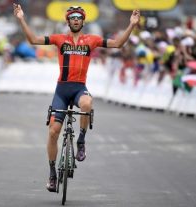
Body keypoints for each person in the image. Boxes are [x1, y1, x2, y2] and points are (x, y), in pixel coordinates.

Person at [13, 4, 140, 192]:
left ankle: (80, 140)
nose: (75, 20)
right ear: (67, 21)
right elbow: (33, 39)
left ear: (83, 21)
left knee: (87, 102)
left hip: (79, 89)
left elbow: (118, 44)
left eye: (78, 17)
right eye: (72, 17)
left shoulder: (92, 40)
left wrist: (132, 25)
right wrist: (21, 18)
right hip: (62, 91)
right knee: (53, 132)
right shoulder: (59, 39)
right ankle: (52, 173)